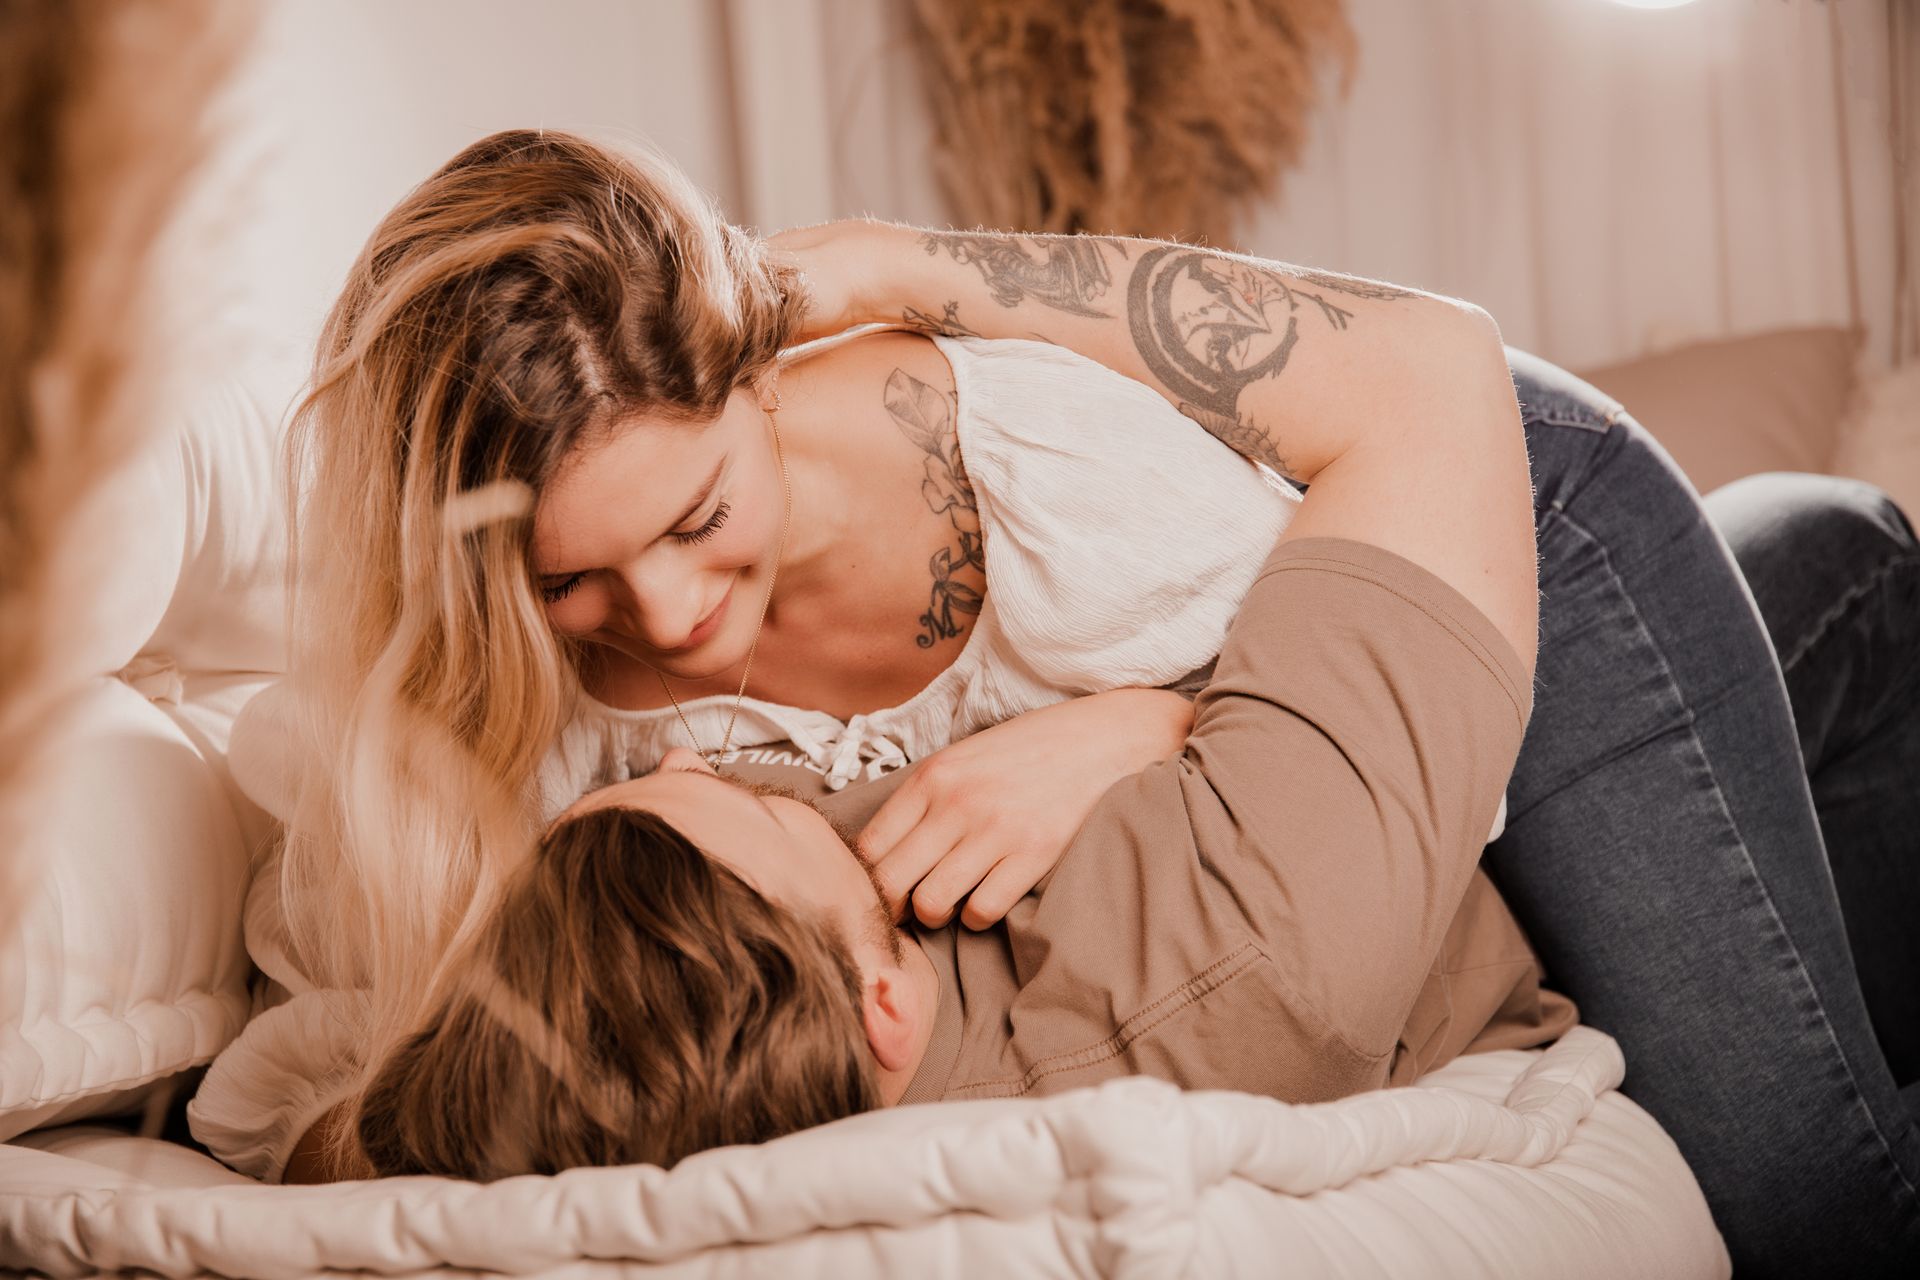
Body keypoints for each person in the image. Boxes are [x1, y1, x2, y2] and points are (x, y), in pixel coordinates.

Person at [186, 128, 1919, 1272]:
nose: (674, 624)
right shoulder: (520, 733)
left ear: (759, 389)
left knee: (1795, 1197)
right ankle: (1825, 568)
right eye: (571, 584)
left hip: (1444, 490)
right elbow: (314, 1080)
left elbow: (1424, 376)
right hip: (1326, 752)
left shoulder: (1059, 482)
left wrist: (1160, 718)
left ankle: (1839, 557)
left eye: (700, 521)